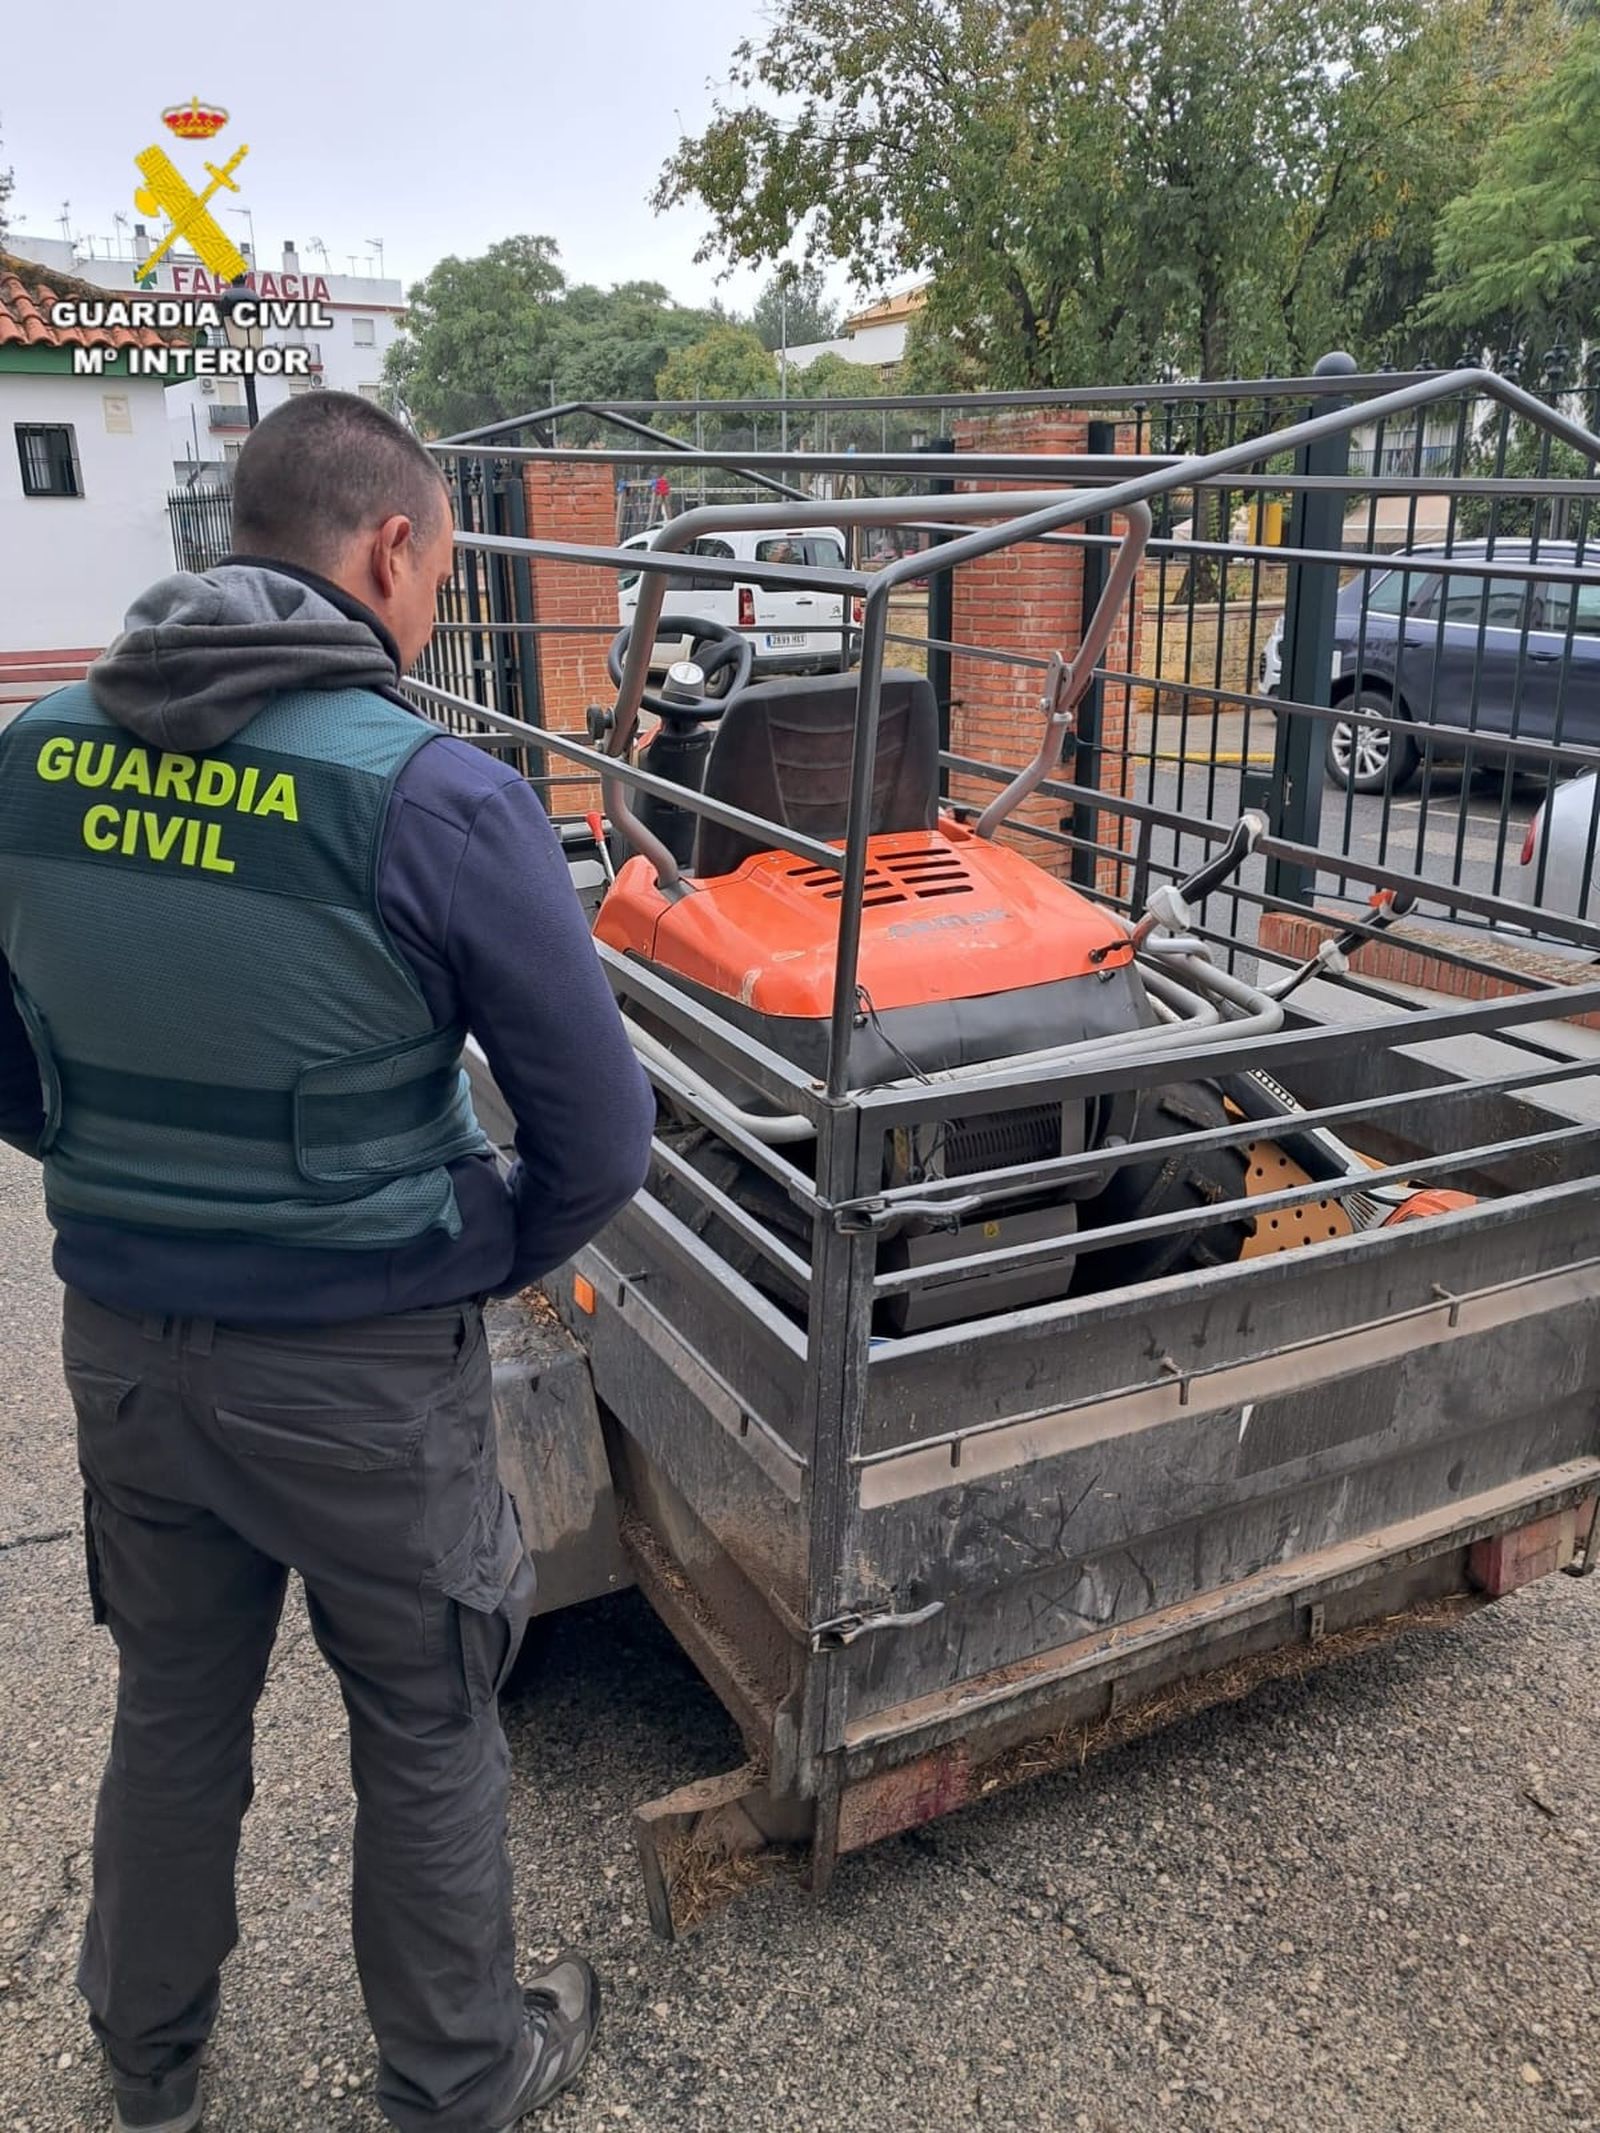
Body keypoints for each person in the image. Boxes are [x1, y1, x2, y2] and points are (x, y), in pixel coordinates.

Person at [0, 391, 655, 2133]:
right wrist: (464, 1256)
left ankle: (146, 2075)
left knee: (172, 1710)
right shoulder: (438, 799)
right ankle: (454, 2080)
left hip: (128, 1350)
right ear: (391, 550)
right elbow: (601, 1134)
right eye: (438, 563)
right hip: (370, 1378)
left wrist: (123, 1170)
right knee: (428, 1723)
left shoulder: (26, 759)